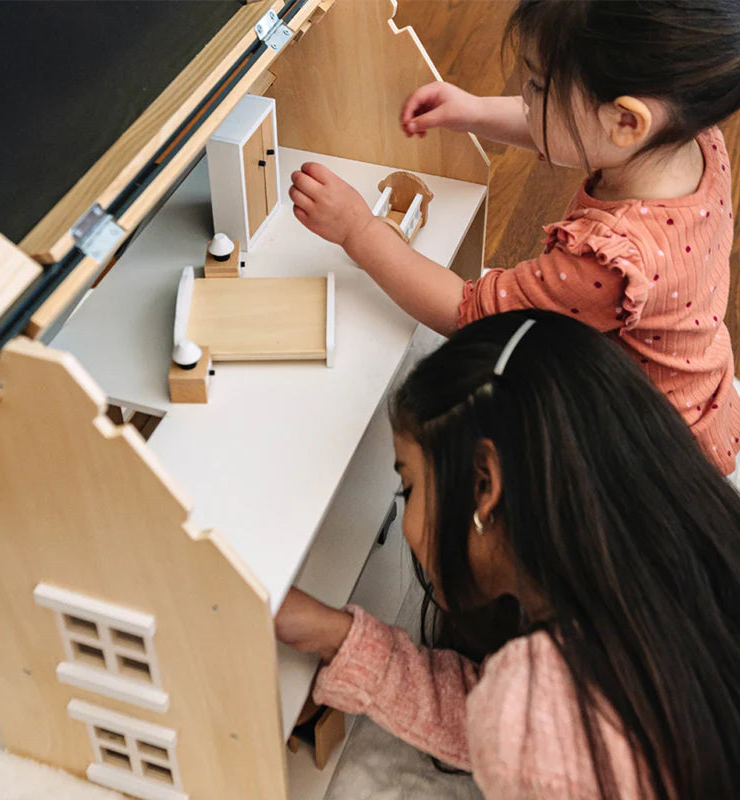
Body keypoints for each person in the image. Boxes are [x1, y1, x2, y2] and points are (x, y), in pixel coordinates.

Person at [275, 310, 740, 799]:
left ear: (484, 485)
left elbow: (530, 729)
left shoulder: (535, 711)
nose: (405, 512)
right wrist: (339, 636)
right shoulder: (681, 568)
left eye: (407, 486)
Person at [288, 0, 740, 474]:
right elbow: (570, 126)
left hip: (639, 445)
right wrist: (475, 112)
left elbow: (470, 313)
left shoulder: (609, 261)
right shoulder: (689, 139)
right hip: (697, 389)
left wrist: (359, 230)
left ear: (628, 122)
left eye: (538, 86)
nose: (525, 97)